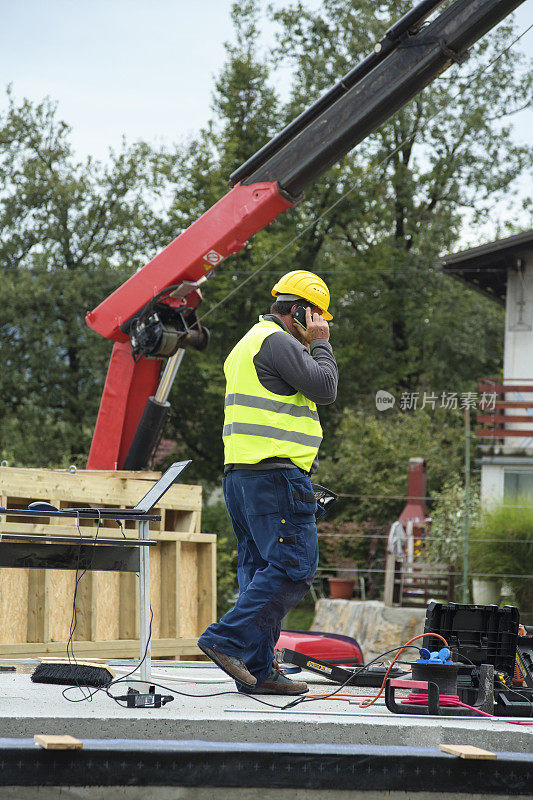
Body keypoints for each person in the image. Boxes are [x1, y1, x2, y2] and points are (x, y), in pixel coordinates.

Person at [198, 270, 338, 695]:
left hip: (242, 477)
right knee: (295, 566)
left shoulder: (246, 344)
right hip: (275, 476)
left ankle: (259, 670)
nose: (319, 326)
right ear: (298, 311)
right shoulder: (278, 341)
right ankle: (225, 639)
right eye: (315, 317)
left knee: (259, 569)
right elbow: (326, 387)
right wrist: (321, 344)